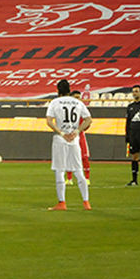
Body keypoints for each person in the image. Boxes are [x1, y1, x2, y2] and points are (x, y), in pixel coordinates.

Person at [45, 79, 92, 211]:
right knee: (78, 170)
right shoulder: (78, 102)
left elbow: (49, 121)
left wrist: (61, 133)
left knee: (60, 171)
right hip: (74, 139)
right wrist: (77, 131)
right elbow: (89, 119)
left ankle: (62, 202)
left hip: (61, 140)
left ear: (57, 90)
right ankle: (86, 202)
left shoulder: (54, 102)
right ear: (69, 90)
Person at [68, 88, 91, 185]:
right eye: (75, 97)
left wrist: (81, 130)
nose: (78, 99)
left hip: (80, 135)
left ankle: (87, 178)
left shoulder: (82, 109)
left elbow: (88, 122)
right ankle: (69, 179)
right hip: (69, 136)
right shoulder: (67, 110)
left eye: (79, 98)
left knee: (84, 157)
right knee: (68, 157)